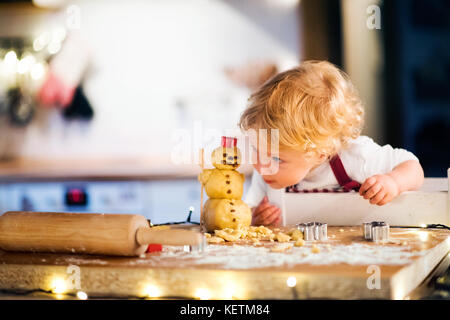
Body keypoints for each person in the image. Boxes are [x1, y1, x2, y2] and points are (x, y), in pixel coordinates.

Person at [238, 60, 424, 227]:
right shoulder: (266, 174)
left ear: (320, 153)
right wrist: (255, 217)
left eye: (277, 159)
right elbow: (248, 212)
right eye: (256, 149)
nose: (262, 166)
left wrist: (393, 182)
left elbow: (413, 167)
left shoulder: (357, 157)